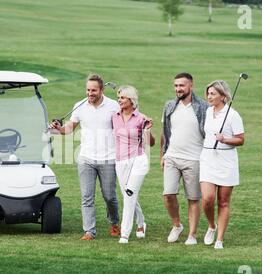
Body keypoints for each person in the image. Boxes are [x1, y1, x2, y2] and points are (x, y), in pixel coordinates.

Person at [49, 74, 142, 240]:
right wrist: (57, 129)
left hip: (109, 158)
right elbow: (69, 128)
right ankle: (89, 231)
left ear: (102, 90)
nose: (90, 93)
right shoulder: (80, 106)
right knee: (87, 196)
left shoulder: (114, 106)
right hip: (86, 158)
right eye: (88, 90)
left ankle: (114, 222)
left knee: (109, 196)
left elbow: (128, 119)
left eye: (93, 90)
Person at [161, 72, 210, 245]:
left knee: (193, 198)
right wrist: (163, 154)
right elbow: (165, 133)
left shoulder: (204, 107)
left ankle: (192, 235)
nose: (178, 89)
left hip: (194, 159)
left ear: (191, 85)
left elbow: (209, 134)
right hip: (172, 157)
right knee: (168, 195)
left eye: (181, 85)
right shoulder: (169, 106)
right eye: (175, 86)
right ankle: (177, 225)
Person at [200, 80, 245, 249]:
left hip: (226, 161)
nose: (209, 96)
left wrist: (225, 139)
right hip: (208, 158)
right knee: (207, 199)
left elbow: (241, 139)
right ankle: (212, 226)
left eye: (213, 94)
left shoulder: (233, 115)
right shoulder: (207, 111)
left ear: (223, 96)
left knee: (224, 201)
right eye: (208, 93)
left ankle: (219, 239)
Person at [112, 85, 155, 244]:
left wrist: (148, 130)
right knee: (128, 195)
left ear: (131, 100)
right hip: (120, 161)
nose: (119, 100)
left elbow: (151, 143)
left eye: (122, 98)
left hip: (138, 160)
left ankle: (125, 233)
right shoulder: (114, 117)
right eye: (118, 98)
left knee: (129, 193)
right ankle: (141, 221)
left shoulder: (141, 118)